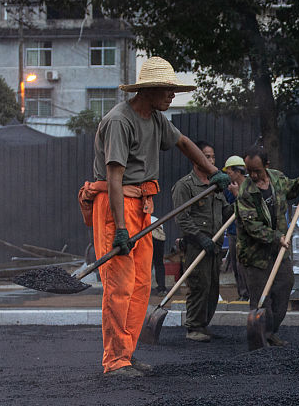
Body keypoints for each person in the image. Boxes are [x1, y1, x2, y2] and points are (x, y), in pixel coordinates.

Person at [83, 58, 228, 376]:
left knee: (141, 284)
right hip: (115, 206)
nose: (172, 95)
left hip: (140, 207)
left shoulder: (156, 119)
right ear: (148, 90)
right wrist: (121, 229)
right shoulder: (120, 121)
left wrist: (214, 172)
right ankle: (114, 360)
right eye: (167, 89)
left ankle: (127, 352)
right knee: (118, 285)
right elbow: (115, 179)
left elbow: (184, 143)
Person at [236, 149, 299, 346]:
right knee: (260, 299)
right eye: (249, 171)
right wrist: (277, 237)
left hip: (278, 250)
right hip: (255, 254)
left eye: (257, 170)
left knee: (285, 285)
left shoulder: (276, 178)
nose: (253, 175)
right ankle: (258, 338)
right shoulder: (245, 192)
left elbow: (292, 188)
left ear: (266, 165)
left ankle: (271, 331)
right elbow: (253, 227)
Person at [172, 141, 231, 341]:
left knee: (213, 287)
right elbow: (182, 217)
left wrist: (240, 202)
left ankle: (204, 324)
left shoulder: (216, 186)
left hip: (214, 245)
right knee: (198, 285)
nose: (210, 160)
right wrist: (200, 237)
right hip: (197, 246)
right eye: (206, 156)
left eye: (212, 157)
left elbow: (225, 212)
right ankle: (193, 327)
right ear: (195, 158)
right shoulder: (185, 186)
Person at [222, 154, 250, 300]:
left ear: (238, 171)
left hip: (248, 233)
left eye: (230, 172)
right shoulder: (228, 189)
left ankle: (251, 294)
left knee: (245, 264)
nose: (228, 175)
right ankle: (243, 294)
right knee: (236, 264)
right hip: (233, 231)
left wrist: (237, 194)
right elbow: (226, 209)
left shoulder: (250, 186)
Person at [149, 217, 168, 295]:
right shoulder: (156, 219)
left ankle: (143, 289)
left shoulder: (146, 218)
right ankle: (161, 288)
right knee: (159, 263)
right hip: (159, 237)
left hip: (148, 234)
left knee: (146, 264)